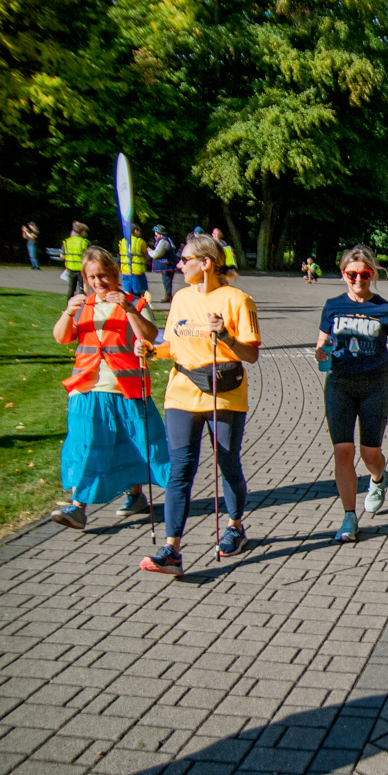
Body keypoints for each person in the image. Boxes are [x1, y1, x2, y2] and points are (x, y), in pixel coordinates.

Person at [135, 234, 261, 575]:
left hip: (224, 393)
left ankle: (235, 528)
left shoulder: (238, 300)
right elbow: (174, 346)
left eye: (185, 258)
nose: (179, 264)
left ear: (205, 263)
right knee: (180, 471)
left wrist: (226, 337)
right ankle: (172, 549)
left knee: (227, 462)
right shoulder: (180, 298)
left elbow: (251, 354)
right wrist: (151, 350)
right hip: (181, 393)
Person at [50, 246, 169, 530]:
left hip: (125, 388)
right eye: (92, 277)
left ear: (115, 274)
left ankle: (136, 495)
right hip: (87, 388)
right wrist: (68, 312)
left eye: (103, 275)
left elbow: (151, 335)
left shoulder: (135, 302)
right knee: (88, 445)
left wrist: (128, 307)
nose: (98, 282)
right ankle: (78, 506)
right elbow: (61, 337)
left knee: (135, 444)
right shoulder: (82, 305)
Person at [313, 245, 388, 542]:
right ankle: (349, 517)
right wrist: (321, 352)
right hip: (340, 384)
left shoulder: (385, 309)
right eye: (352, 274)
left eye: (365, 273)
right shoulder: (332, 306)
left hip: (375, 385)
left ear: (372, 274)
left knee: (370, 453)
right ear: (344, 274)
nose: (358, 279)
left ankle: (378, 478)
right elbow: (322, 345)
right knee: (343, 451)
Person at [60, 222, 90, 299]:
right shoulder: (84, 242)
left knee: (71, 289)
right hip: (81, 269)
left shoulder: (66, 242)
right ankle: (82, 306)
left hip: (70, 268)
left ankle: (69, 305)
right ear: (82, 231)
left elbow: (62, 256)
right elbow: (90, 255)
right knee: (82, 288)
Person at [118, 224, 150, 297]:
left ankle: (128, 305)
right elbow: (146, 256)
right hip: (136, 270)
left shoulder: (122, 242)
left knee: (127, 291)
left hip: (125, 270)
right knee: (142, 290)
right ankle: (145, 305)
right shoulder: (140, 241)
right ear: (135, 231)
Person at [148, 226, 176, 302]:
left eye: (156, 233)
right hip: (169, 264)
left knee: (166, 281)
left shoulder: (163, 242)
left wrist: (149, 251)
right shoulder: (167, 240)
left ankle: (168, 297)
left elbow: (156, 254)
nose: (155, 234)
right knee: (167, 281)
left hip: (167, 265)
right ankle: (168, 296)